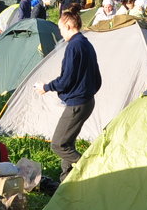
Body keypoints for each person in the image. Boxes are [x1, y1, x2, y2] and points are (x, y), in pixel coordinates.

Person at [35, 10, 101, 177]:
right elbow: (97, 77)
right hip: (86, 101)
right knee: (68, 142)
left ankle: (92, 171)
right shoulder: (86, 43)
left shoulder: (74, 46)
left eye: (61, 28)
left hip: (77, 104)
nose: (60, 32)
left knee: (58, 145)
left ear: (69, 26)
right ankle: (67, 180)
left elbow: (66, 80)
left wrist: (46, 87)